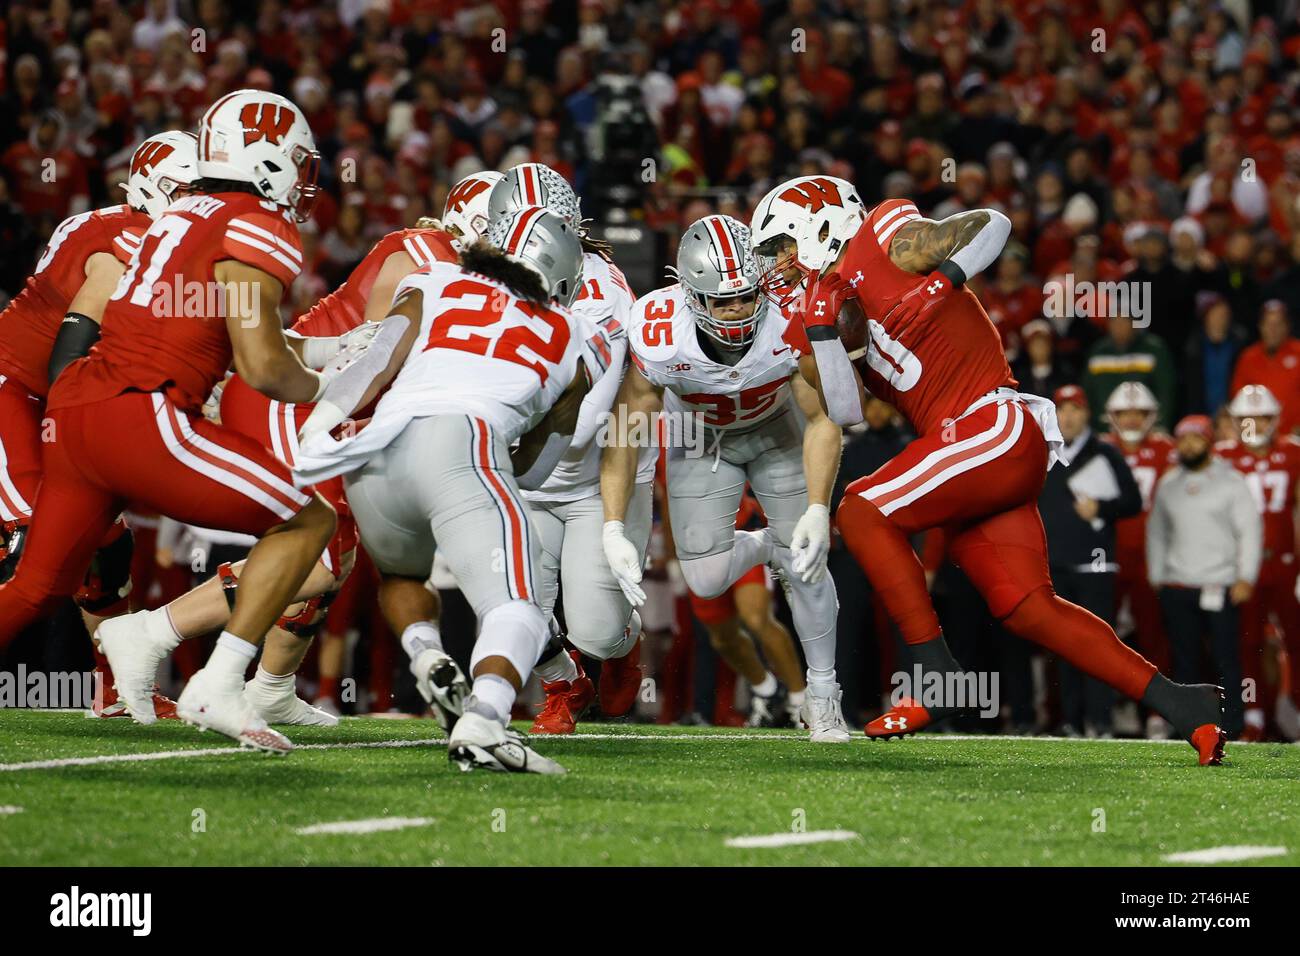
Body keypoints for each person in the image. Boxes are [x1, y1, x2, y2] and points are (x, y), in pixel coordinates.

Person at [752, 173, 1228, 764]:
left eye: (780, 247)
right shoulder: (813, 310)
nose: (777, 265)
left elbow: (991, 226)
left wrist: (936, 287)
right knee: (1027, 608)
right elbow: (845, 409)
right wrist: (824, 329)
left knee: (863, 508)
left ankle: (932, 673)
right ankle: (1186, 706)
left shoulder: (883, 236)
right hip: (976, 454)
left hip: (990, 424)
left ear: (818, 225)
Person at [0, 91, 341, 754]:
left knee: (36, 587)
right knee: (310, 522)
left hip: (75, 413)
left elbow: (207, 327)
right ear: (268, 161)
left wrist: (324, 349)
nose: (305, 177)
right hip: (141, 413)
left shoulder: (178, 214)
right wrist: (328, 385)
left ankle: (138, 644)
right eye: (299, 161)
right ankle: (216, 679)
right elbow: (265, 365)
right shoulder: (258, 223)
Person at [292, 206, 594, 774]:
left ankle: (426, 655)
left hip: (374, 450)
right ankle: (484, 720)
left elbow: (377, 360)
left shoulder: (433, 279)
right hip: (463, 443)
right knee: (519, 606)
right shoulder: (571, 333)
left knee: (403, 575)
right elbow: (537, 461)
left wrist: (319, 422)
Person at [602, 213, 849, 742]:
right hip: (701, 439)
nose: (737, 309)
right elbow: (625, 431)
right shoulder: (659, 329)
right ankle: (768, 545)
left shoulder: (789, 315)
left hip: (778, 432)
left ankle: (824, 695)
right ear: (691, 296)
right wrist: (612, 525)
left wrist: (818, 510)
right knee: (707, 579)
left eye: (745, 294)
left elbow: (823, 416)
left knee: (807, 563)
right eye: (723, 299)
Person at [483, 163, 657, 735]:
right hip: (522, 472)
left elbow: (577, 427)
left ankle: (622, 645)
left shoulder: (601, 294)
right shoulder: (485, 278)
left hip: (591, 480)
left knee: (596, 630)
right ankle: (564, 685)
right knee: (502, 598)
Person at [1148, 414, 1262, 738]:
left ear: (1209, 442)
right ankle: (1188, 725)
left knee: (1227, 659)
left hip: (1220, 583)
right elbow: (1157, 532)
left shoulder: (1231, 481)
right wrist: (1158, 573)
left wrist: (1246, 576)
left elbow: (1249, 531)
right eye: (1182, 439)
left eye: (1195, 438)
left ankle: (1233, 725)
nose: (1188, 445)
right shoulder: (1169, 483)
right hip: (1179, 583)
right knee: (1184, 662)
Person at [1039, 385, 1141, 736]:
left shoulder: (1105, 453)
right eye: (1062, 410)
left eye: (1074, 410)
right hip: (1057, 567)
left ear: (1086, 415)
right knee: (1066, 650)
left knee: (1100, 647)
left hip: (1096, 567)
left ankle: (1101, 720)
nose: (1067, 417)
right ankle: (1070, 720)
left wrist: (1101, 508)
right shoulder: (1044, 451)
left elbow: (1133, 501)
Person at [1216, 385, 1300, 740]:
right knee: (1246, 642)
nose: (1255, 425)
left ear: (1276, 419)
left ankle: (1293, 705)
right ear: (1234, 421)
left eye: (1262, 417)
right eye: (1247, 418)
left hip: (1285, 562)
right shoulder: (1221, 457)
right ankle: (1253, 713)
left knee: (1296, 638)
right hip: (1242, 565)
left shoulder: (1293, 453)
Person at [1102, 380, 1177, 736]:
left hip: (1150, 555)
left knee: (1153, 635)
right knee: (1102, 635)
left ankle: (1157, 712)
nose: (1131, 419)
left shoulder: (1165, 449)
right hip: (1108, 555)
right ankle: (1109, 706)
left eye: (1139, 413)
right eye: (1124, 413)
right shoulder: (1101, 448)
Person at [1230, 301, 1300, 438]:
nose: (1273, 329)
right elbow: (1238, 400)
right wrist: (1248, 437)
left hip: (1295, 437)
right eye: (1268, 324)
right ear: (1260, 327)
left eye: (1278, 324)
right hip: (1258, 439)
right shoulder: (1248, 358)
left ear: (1287, 327)